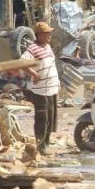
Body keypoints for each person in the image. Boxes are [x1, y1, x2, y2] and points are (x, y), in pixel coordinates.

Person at [21, 22, 60, 155]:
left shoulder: (48, 47)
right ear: (39, 35)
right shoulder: (32, 48)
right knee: (42, 118)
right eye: (47, 33)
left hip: (52, 88)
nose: (50, 35)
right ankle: (40, 145)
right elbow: (22, 63)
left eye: (50, 33)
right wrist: (34, 74)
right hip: (41, 90)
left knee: (50, 117)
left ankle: (46, 143)